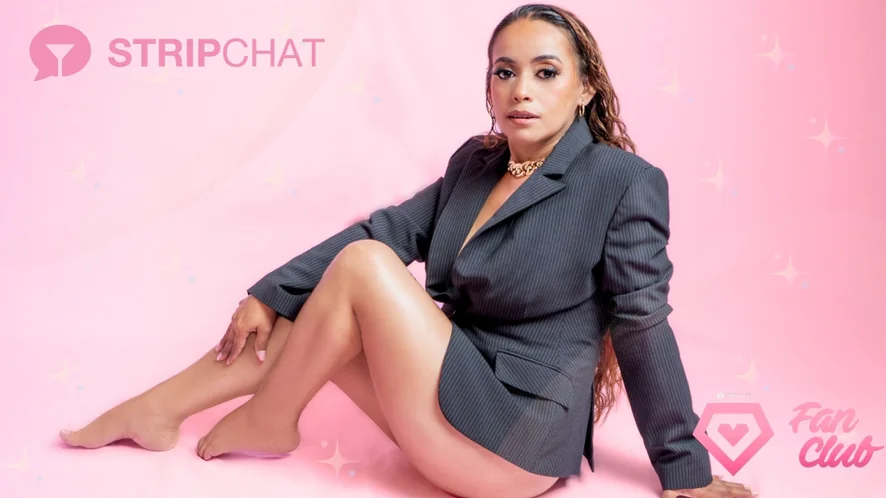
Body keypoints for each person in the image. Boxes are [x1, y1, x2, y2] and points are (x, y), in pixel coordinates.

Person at [59, 4, 756, 498]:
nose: (521, 90)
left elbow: (642, 324)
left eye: (546, 73)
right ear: (488, 85)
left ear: (585, 90)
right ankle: (154, 411)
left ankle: (273, 416)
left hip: (514, 442)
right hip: (446, 407)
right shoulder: (477, 163)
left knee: (362, 274)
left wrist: (684, 468)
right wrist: (266, 293)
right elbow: (385, 230)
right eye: (504, 72)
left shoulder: (622, 181)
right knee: (322, 308)